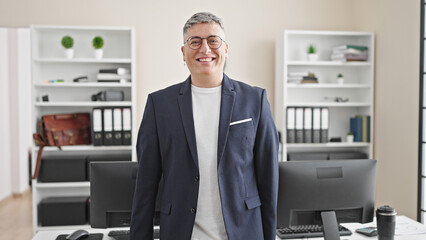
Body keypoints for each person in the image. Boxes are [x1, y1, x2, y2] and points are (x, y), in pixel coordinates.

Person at [130, 12, 279, 240]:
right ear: (183, 52)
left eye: (213, 40)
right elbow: (145, 185)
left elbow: (268, 178)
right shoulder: (159, 104)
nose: (205, 49)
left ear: (226, 49)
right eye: (195, 42)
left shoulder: (255, 100)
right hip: (182, 233)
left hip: (243, 231)